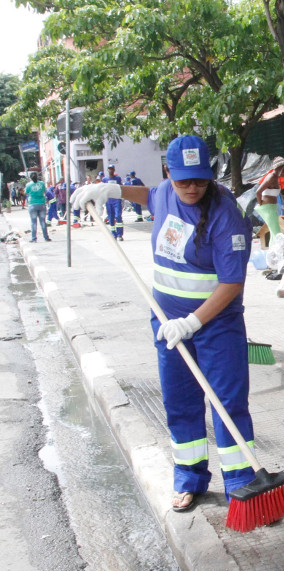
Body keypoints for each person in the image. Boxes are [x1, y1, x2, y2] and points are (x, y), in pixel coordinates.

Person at [70, 135, 258, 513]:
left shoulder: (227, 214)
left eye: (200, 180)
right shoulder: (166, 193)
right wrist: (111, 189)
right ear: (169, 173)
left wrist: (191, 322)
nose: (192, 188)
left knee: (226, 404)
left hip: (216, 326)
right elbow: (149, 196)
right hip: (166, 322)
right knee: (180, 402)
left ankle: (242, 483)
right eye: (183, 180)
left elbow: (232, 282)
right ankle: (190, 478)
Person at [254, 156, 284, 241]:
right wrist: (261, 204)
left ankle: (274, 252)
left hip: (271, 208)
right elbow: (258, 192)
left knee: (275, 233)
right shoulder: (271, 177)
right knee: (276, 233)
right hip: (268, 209)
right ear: (279, 168)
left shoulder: (275, 177)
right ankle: (275, 252)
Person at [24, 173, 51, 242]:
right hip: (41, 203)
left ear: (31, 178)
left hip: (32, 204)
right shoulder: (42, 183)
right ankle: (46, 237)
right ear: (37, 177)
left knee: (33, 222)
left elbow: (26, 193)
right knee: (43, 221)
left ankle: (34, 238)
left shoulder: (28, 185)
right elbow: (45, 191)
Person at [103, 166, 124, 240]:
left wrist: (122, 198)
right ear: (107, 170)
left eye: (112, 169)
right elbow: (103, 189)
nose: (110, 170)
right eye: (109, 169)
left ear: (114, 170)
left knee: (118, 216)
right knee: (111, 218)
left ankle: (119, 234)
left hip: (117, 200)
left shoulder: (118, 178)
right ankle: (113, 233)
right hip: (108, 201)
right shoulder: (105, 179)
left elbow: (121, 187)